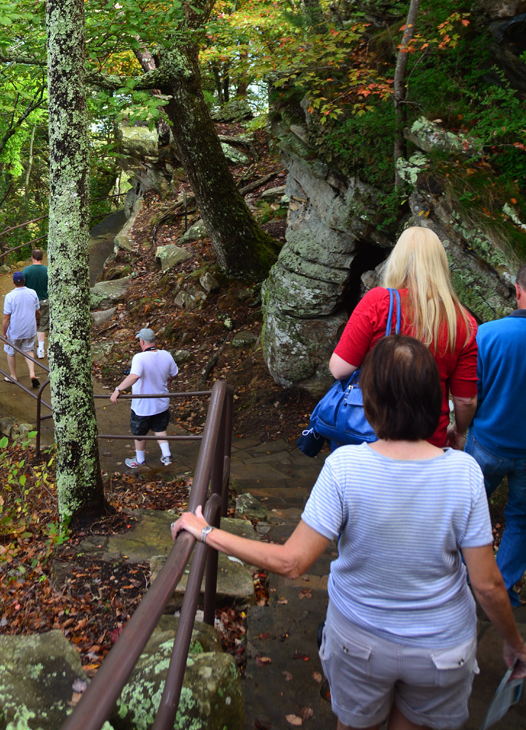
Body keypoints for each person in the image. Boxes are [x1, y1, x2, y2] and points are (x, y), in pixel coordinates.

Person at [173, 335, 526, 730]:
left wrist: (205, 532)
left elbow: (292, 562)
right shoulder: (463, 472)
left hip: (360, 641)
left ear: (370, 399)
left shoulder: (345, 467)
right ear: (435, 399)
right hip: (440, 649)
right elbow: (489, 585)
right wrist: (513, 641)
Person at [329, 226, 477, 448]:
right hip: (429, 439)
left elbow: (339, 369)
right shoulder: (463, 322)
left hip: (370, 433)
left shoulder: (379, 302)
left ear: (397, 259)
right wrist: (458, 430)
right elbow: (465, 399)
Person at [466, 262, 526, 608]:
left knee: (468, 511)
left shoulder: (489, 334)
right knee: (521, 519)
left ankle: (463, 582)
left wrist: (461, 428)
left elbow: (472, 394)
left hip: (488, 443)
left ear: (517, 289)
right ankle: (501, 592)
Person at [110, 327, 178, 470]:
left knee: (139, 433)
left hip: (143, 405)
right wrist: (169, 380)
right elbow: (174, 373)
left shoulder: (139, 357)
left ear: (142, 341)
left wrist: (118, 389)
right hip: (161, 402)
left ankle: (140, 460)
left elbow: (134, 376)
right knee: (159, 428)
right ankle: (167, 455)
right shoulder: (166, 355)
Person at [2, 270, 40, 389]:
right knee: (28, 350)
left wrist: (4, 333)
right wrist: (37, 323)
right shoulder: (33, 293)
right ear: (24, 281)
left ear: (13, 282)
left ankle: (13, 375)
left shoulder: (10, 296)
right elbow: (37, 311)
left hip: (15, 330)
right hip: (30, 328)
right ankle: (32, 374)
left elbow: (6, 317)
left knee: (11, 352)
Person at [22, 248, 49, 360]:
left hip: (29, 302)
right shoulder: (48, 270)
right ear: (42, 258)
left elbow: (21, 286)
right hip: (43, 301)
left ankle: (30, 347)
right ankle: (41, 350)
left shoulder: (26, 271)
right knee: (41, 325)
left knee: (30, 324)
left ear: (32, 257)